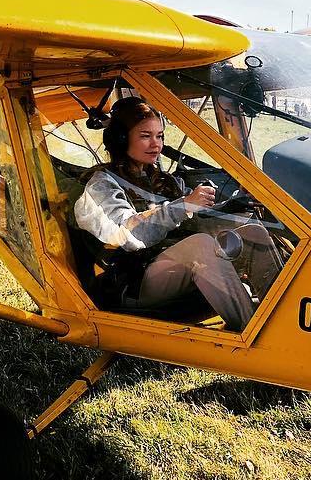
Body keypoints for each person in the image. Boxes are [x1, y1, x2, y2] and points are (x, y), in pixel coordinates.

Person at [73, 96, 280, 331]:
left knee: (252, 233)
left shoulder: (163, 181)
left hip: (170, 270)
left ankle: (283, 320)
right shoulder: (101, 185)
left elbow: (192, 223)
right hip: (130, 282)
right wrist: (183, 206)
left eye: (159, 136)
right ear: (121, 139)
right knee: (201, 246)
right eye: (145, 136)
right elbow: (127, 235)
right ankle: (254, 333)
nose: (156, 144)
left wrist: (231, 208)